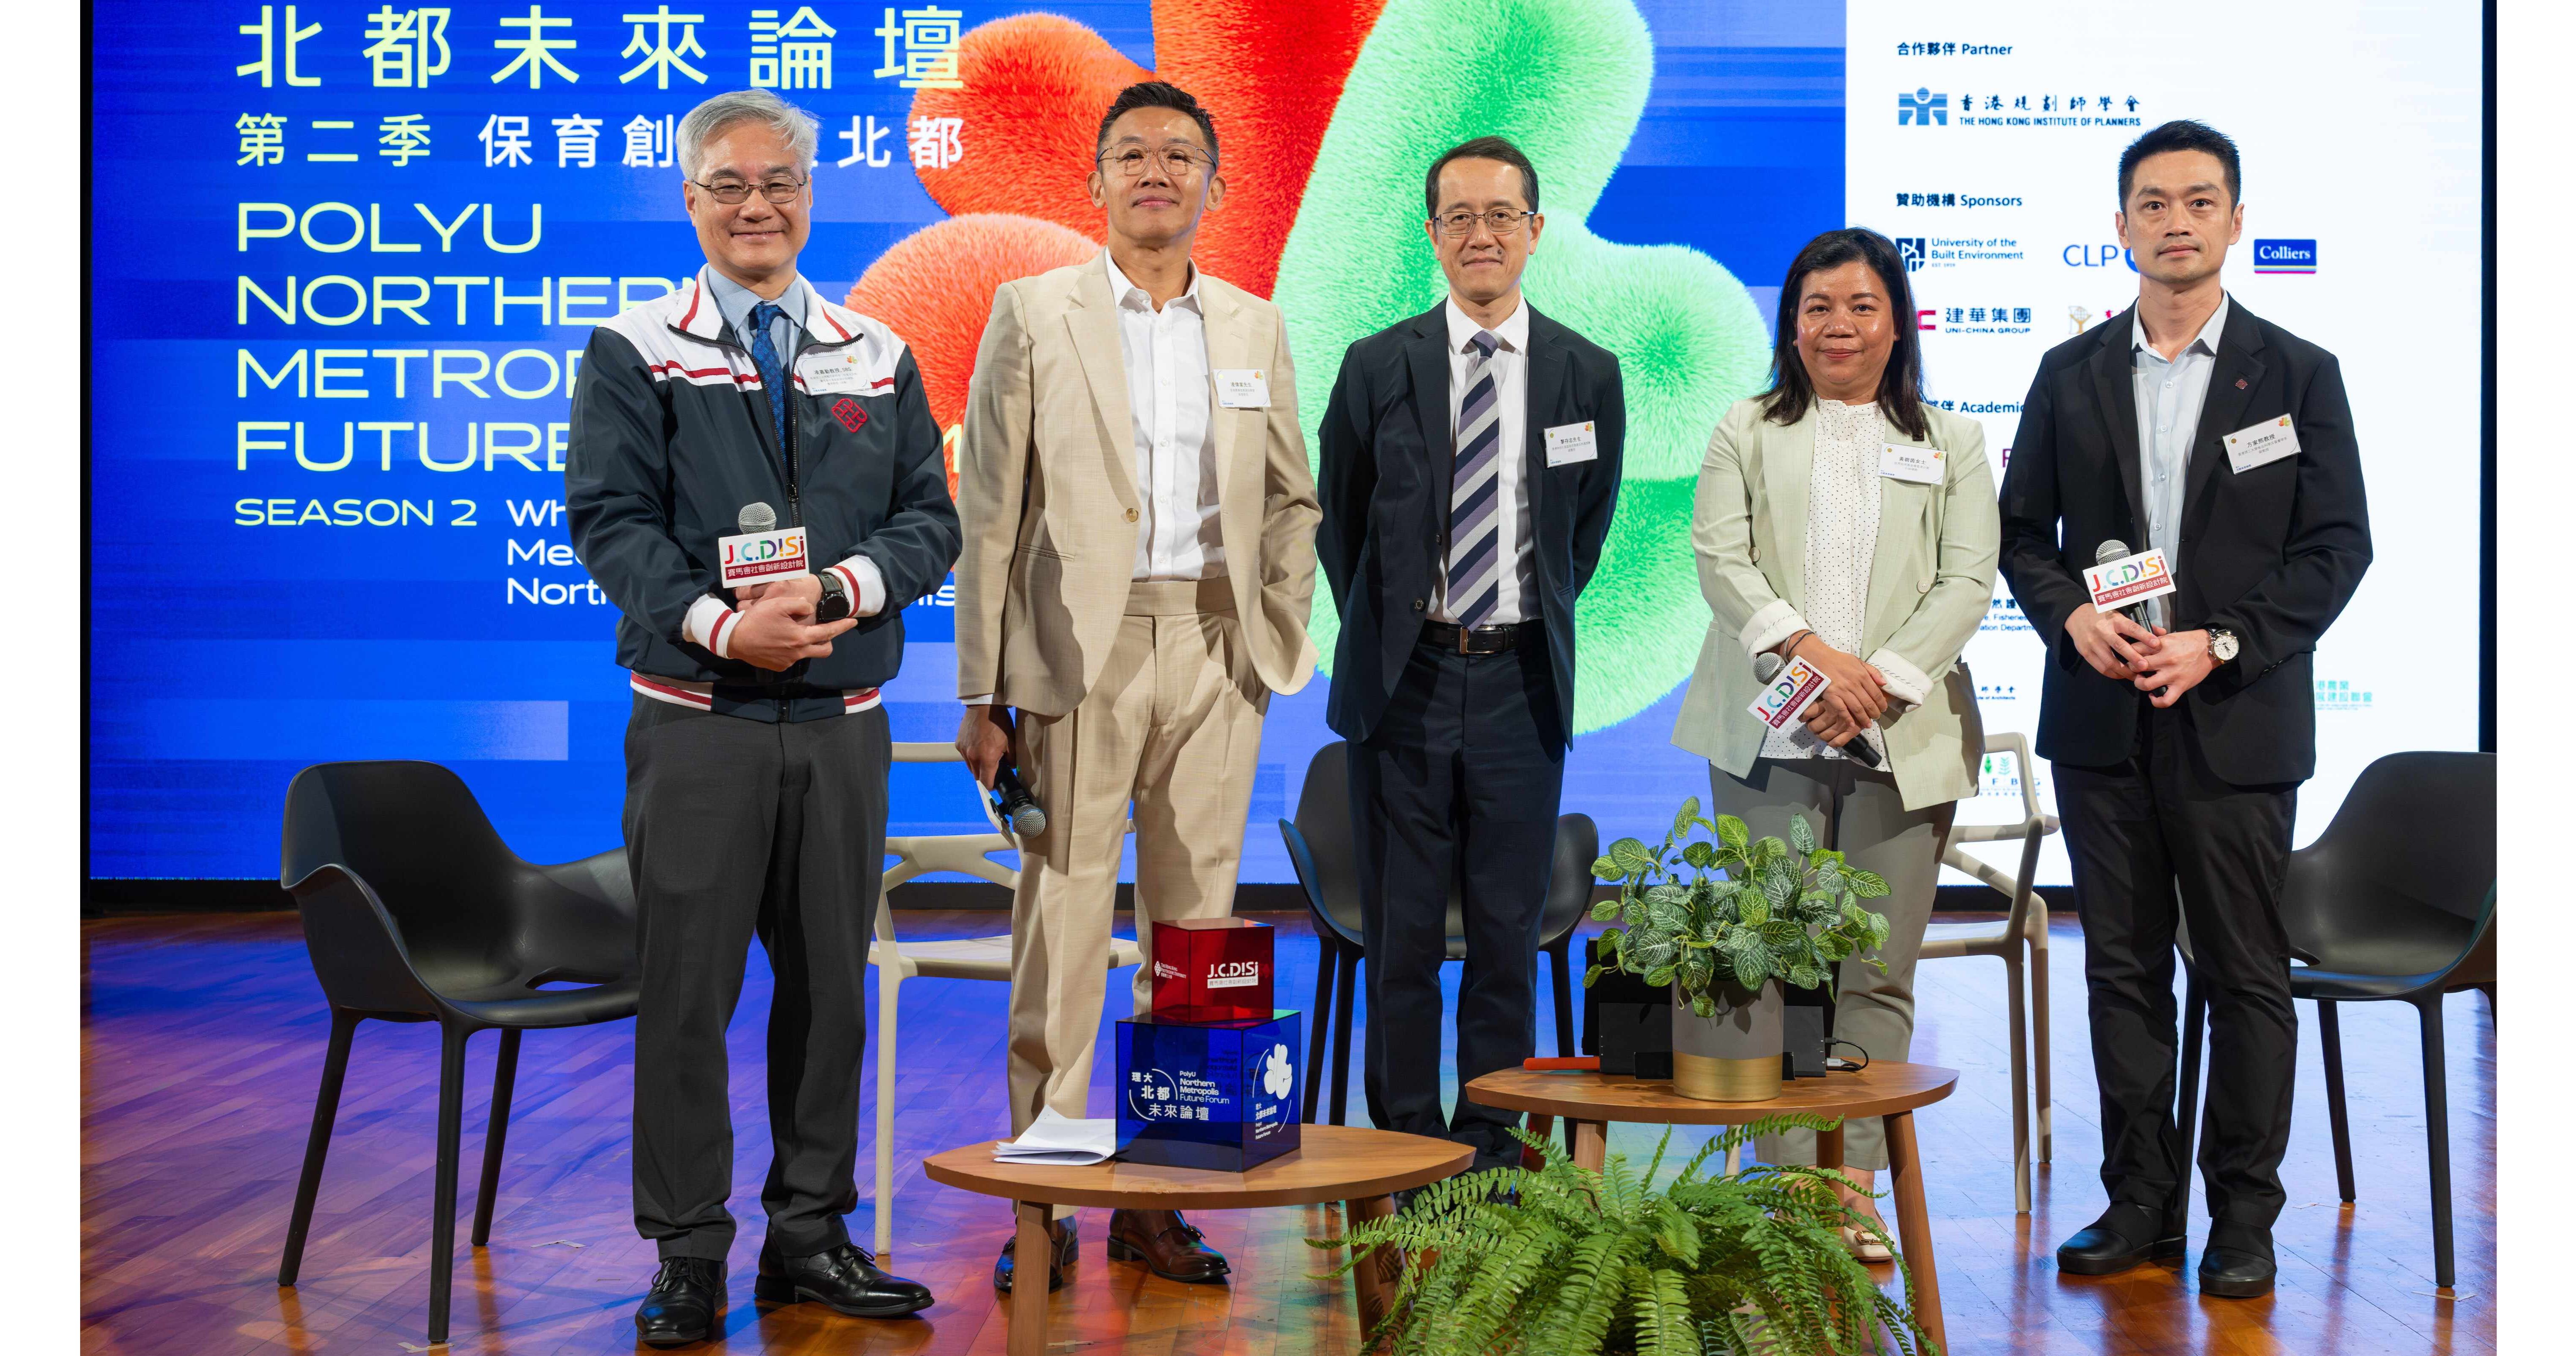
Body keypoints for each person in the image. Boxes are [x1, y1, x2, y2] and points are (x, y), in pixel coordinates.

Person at [567, 88, 954, 1345]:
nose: (755, 206)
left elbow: (928, 521)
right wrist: (728, 626)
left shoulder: (875, 349)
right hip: (700, 718)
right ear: (690, 201)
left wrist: (841, 590)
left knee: (829, 991)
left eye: (777, 183)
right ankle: (687, 1250)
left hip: (840, 719)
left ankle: (810, 1233)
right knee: (686, 991)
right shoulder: (636, 349)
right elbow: (613, 523)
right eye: (728, 185)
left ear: (808, 195)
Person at [952, 81, 1321, 1294]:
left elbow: (1293, 497)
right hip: (1074, 649)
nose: (1154, 170)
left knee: (1197, 932)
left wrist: (1271, 624)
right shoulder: (1032, 310)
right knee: (1061, 916)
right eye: (1130, 154)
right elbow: (992, 508)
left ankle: (1165, 1192)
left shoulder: (1255, 326)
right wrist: (982, 686)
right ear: (1094, 183)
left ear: (1215, 186)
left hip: (1214, 646)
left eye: (1179, 155)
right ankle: (1046, 1198)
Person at [1998, 120, 2370, 1300]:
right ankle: (2139, 1202)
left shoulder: (2295, 372)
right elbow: (2020, 535)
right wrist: (2070, 616)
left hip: (2235, 716)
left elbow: (2334, 546)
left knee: (2243, 971)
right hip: (2103, 720)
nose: (2174, 221)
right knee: (2118, 968)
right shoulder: (2068, 374)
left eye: (2197, 202)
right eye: (2150, 203)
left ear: (2233, 222)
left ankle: (2241, 1218)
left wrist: (2222, 640)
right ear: (2118, 228)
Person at [1672, 226, 1998, 1258]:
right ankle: (1781, 1195)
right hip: (1765, 727)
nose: (1838, 325)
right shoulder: (1744, 428)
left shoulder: (1953, 439)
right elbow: (1722, 563)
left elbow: (1966, 580)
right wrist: (1818, 664)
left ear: (1895, 320)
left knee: (1872, 969)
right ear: (1791, 323)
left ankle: (1848, 1188)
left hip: (1900, 735)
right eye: (1817, 307)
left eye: (1859, 305)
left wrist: (1876, 687)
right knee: (1760, 964)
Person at [1317, 136, 1624, 1177]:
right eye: (1459, 217)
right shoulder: (1375, 365)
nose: (1480, 234)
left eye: (1502, 215)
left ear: (1534, 230)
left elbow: (1581, 536)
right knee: (1400, 934)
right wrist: (1401, 627)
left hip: (1520, 681)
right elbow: (1342, 529)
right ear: (1432, 234)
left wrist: (1511, 618)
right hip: (1403, 682)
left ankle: (1494, 1140)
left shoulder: (1588, 371)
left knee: (1506, 933)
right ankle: (1405, 1144)